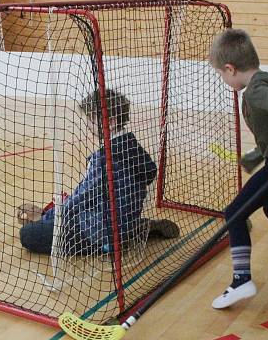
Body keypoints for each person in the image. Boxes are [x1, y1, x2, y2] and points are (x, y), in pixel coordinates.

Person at [208, 29, 268, 309]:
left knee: (233, 214)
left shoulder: (256, 92)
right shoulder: (266, 80)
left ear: (230, 68)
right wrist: (253, 158)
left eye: (221, 74)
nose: (223, 80)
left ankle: (241, 281)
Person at [18, 89, 179, 255]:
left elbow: (82, 198)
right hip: (125, 217)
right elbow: (150, 172)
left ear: (110, 122)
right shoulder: (132, 145)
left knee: (28, 234)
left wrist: (47, 216)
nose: (88, 124)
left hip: (99, 228)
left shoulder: (104, 159)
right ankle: (132, 228)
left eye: (91, 119)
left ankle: (106, 245)